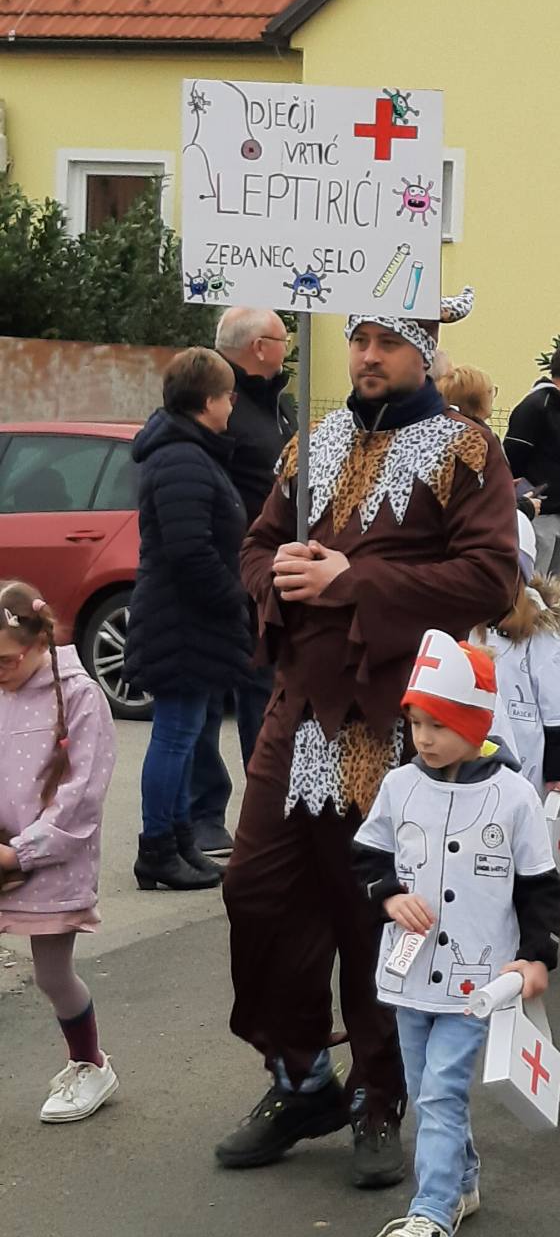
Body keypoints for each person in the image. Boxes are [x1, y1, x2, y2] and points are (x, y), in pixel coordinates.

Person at [216, 296, 518, 1190]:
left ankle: (378, 1096)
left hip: (397, 719)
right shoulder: (311, 444)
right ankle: (303, 1076)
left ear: (423, 353)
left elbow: (492, 575)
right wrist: (276, 573)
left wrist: (355, 577)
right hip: (298, 708)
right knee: (258, 891)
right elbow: (258, 543)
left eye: (388, 342)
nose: (368, 355)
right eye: (359, 339)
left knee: (376, 911)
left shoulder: (470, 449)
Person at [355, 631, 560, 1237]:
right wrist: (388, 895)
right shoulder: (399, 786)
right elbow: (367, 855)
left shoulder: (514, 796)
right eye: (416, 721)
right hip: (410, 973)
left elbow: (538, 887)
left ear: (474, 725)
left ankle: (432, 1214)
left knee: (444, 1090)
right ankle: (465, 1179)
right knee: (424, 1089)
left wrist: (535, 957)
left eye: (439, 724)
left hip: (478, 982)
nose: (423, 737)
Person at [124, 348, 250, 892]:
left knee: (186, 731)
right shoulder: (181, 458)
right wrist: (236, 599)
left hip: (188, 620)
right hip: (181, 619)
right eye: (227, 396)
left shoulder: (191, 452)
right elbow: (189, 550)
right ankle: (157, 848)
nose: (232, 406)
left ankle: (178, 841)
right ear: (206, 401)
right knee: (175, 736)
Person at [0, 582, 118, 1123]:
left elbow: (81, 798)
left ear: (37, 641)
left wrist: (19, 853)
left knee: (51, 975)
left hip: (47, 860)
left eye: (5, 658)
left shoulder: (79, 696)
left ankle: (90, 1063)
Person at [188, 307, 298, 858]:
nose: (290, 347)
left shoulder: (280, 405)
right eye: (284, 338)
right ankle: (205, 814)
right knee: (208, 699)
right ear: (259, 346)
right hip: (224, 574)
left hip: (274, 576)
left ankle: (269, 809)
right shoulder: (218, 407)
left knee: (267, 694)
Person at [474, 514, 560, 800]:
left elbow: (558, 706)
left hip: (525, 764)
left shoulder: (538, 634)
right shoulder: (465, 625)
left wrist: (558, 774)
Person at [503, 344, 560, 579]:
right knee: (535, 586)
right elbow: (512, 456)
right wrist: (529, 496)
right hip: (542, 515)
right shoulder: (534, 406)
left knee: (556, 592)